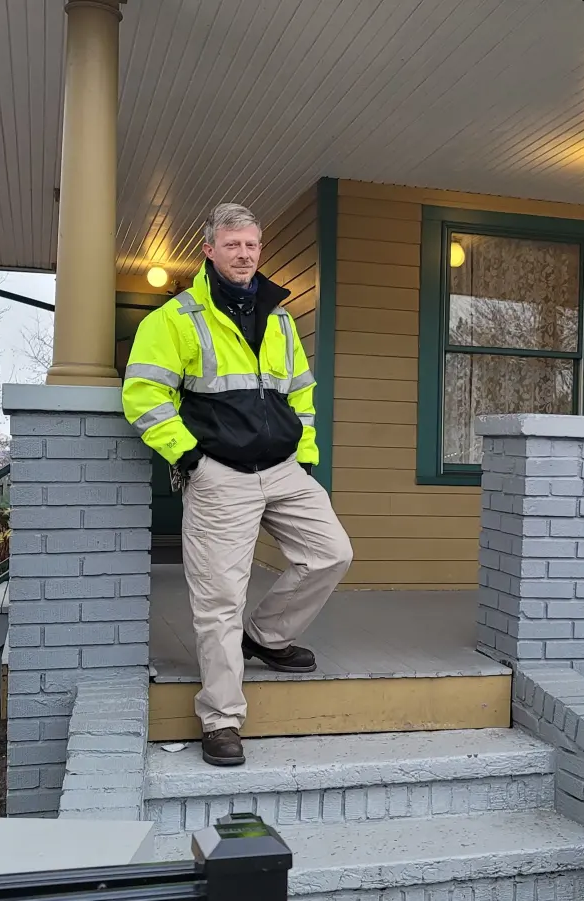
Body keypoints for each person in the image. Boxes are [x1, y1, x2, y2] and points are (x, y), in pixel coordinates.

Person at [122, 203, 353, 767]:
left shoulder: (277, 316)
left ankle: (268, 637)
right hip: (220, 474)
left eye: (252, 245)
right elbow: (142, 397)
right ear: (209, 250)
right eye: (233, 246)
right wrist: (192, 457)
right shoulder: (174, 319)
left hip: (281, 469)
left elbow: (301, 392)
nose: (245, 255)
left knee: (331, 553)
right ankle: (221, 718)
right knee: (219, 600)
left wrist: (306, 457)